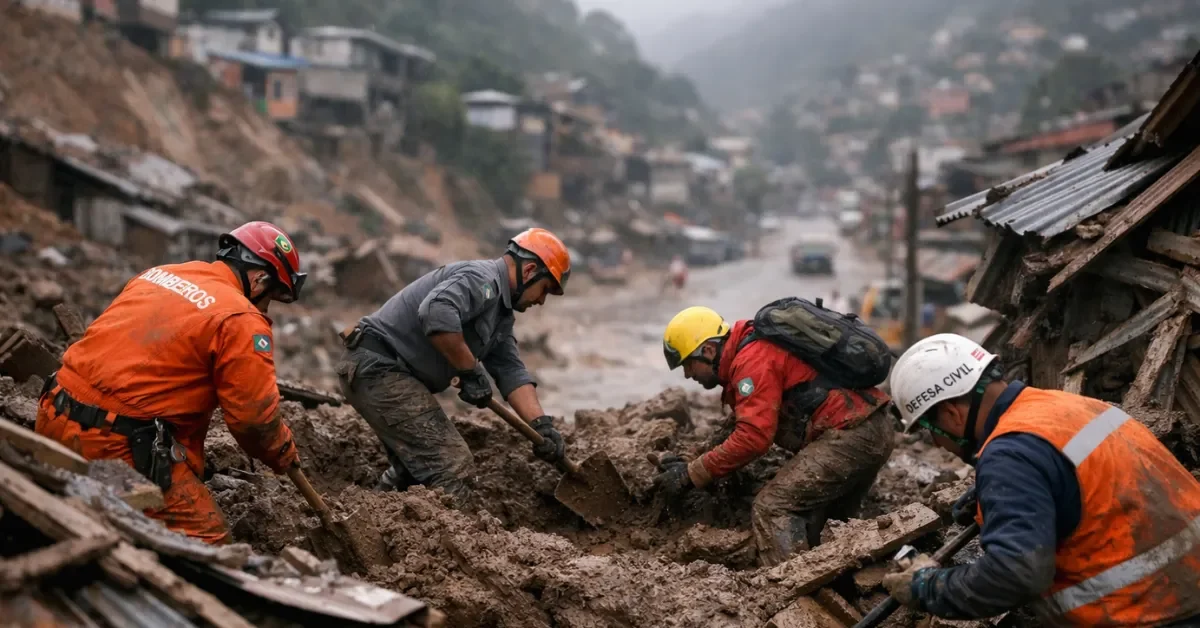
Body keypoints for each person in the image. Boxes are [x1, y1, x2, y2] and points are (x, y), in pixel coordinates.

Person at [884, 333, 1200, 626]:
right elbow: (1086, 484)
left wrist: (928, 588)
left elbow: (1015, 576)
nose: (939, 445)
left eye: (932, 432)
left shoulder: (1010, 455)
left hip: (1150, 612)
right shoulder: (1067, 406)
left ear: (952, 414)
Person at [35, 222, 306, 544]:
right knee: (212, 549)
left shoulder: (160, 274)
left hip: (52, 415)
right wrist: (283, 452)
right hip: (116, 447)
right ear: (259, 279)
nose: (265, 307)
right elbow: (253, 421)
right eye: (271, 297)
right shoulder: (241, 319)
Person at [337, 228, 571, 508]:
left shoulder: (500, 314)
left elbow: (510, 370)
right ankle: (440, 548)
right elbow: (436, 312)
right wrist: (470, 371)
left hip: (384, 371)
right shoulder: (483, 280)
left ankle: (368, 523)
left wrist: (541, 426)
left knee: (413, 471)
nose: (541, 301)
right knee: (452, 464)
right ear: (530, 270)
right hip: (379, 367)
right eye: (545, 289)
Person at [657, 305, 895, 566]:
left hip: (852, 434)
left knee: (773, 508)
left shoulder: (752, 360)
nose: (687, 374)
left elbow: (753, 438)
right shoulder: (751, 349)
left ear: (709, 350)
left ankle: (794, 595)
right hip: (870, 427)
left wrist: (694, 474)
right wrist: (689, 462)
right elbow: (739, 423)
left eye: (688, 364)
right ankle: (848, 590)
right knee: (830, 526)